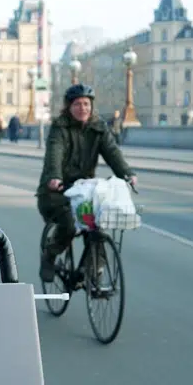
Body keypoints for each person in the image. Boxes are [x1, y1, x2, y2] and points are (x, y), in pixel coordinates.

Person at [37, 84, 137, 282]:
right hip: (56, 192)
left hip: (84, 190)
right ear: (69, 107)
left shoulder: (98, 128)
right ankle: (50, 255)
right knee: (70, 225)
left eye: (86, 104)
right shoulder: (60, 128)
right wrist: (54, 177)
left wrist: (127, 174)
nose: (82, 108)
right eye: (77, 104)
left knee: (98, 223)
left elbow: (112, 153)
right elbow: (54, 154)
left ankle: (93, 267)